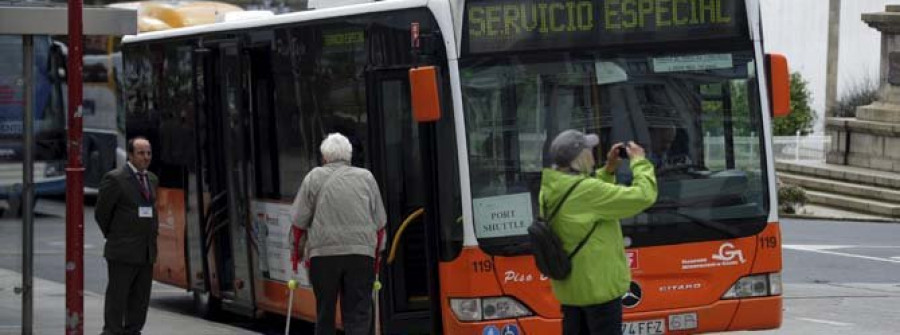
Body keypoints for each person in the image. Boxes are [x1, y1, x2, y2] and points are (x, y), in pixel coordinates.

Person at [540, 129, 658, 335]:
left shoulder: (552, 187)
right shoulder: (586, 191)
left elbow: (589, 202)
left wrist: (609, 169)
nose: (592, 154)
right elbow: (643, 196)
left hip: (571, 289)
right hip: (597, 289)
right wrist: (639, 162)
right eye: (589, 150)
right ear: (580, 157)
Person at [290, 133, 387, 335]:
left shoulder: (313, 177)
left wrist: (296, 254)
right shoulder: (366, 178)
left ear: (324, 157)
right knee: (358, 314)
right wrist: (377, 255)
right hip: (361, 256)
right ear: (349, 156)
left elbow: (298, 223)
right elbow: (380, 225)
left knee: (325, 312)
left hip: (323, 258)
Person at [94, 136, 158, 335]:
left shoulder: (152, 179)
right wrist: (115, 236)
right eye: (141, 153)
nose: (145, 157)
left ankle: (133, 331)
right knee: (118, 298)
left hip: (146, 251)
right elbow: (102, 213)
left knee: (140, 300)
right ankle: (112, 332)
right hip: (122, 251)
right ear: (130, 155)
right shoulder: (115, 179)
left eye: (148, 153)